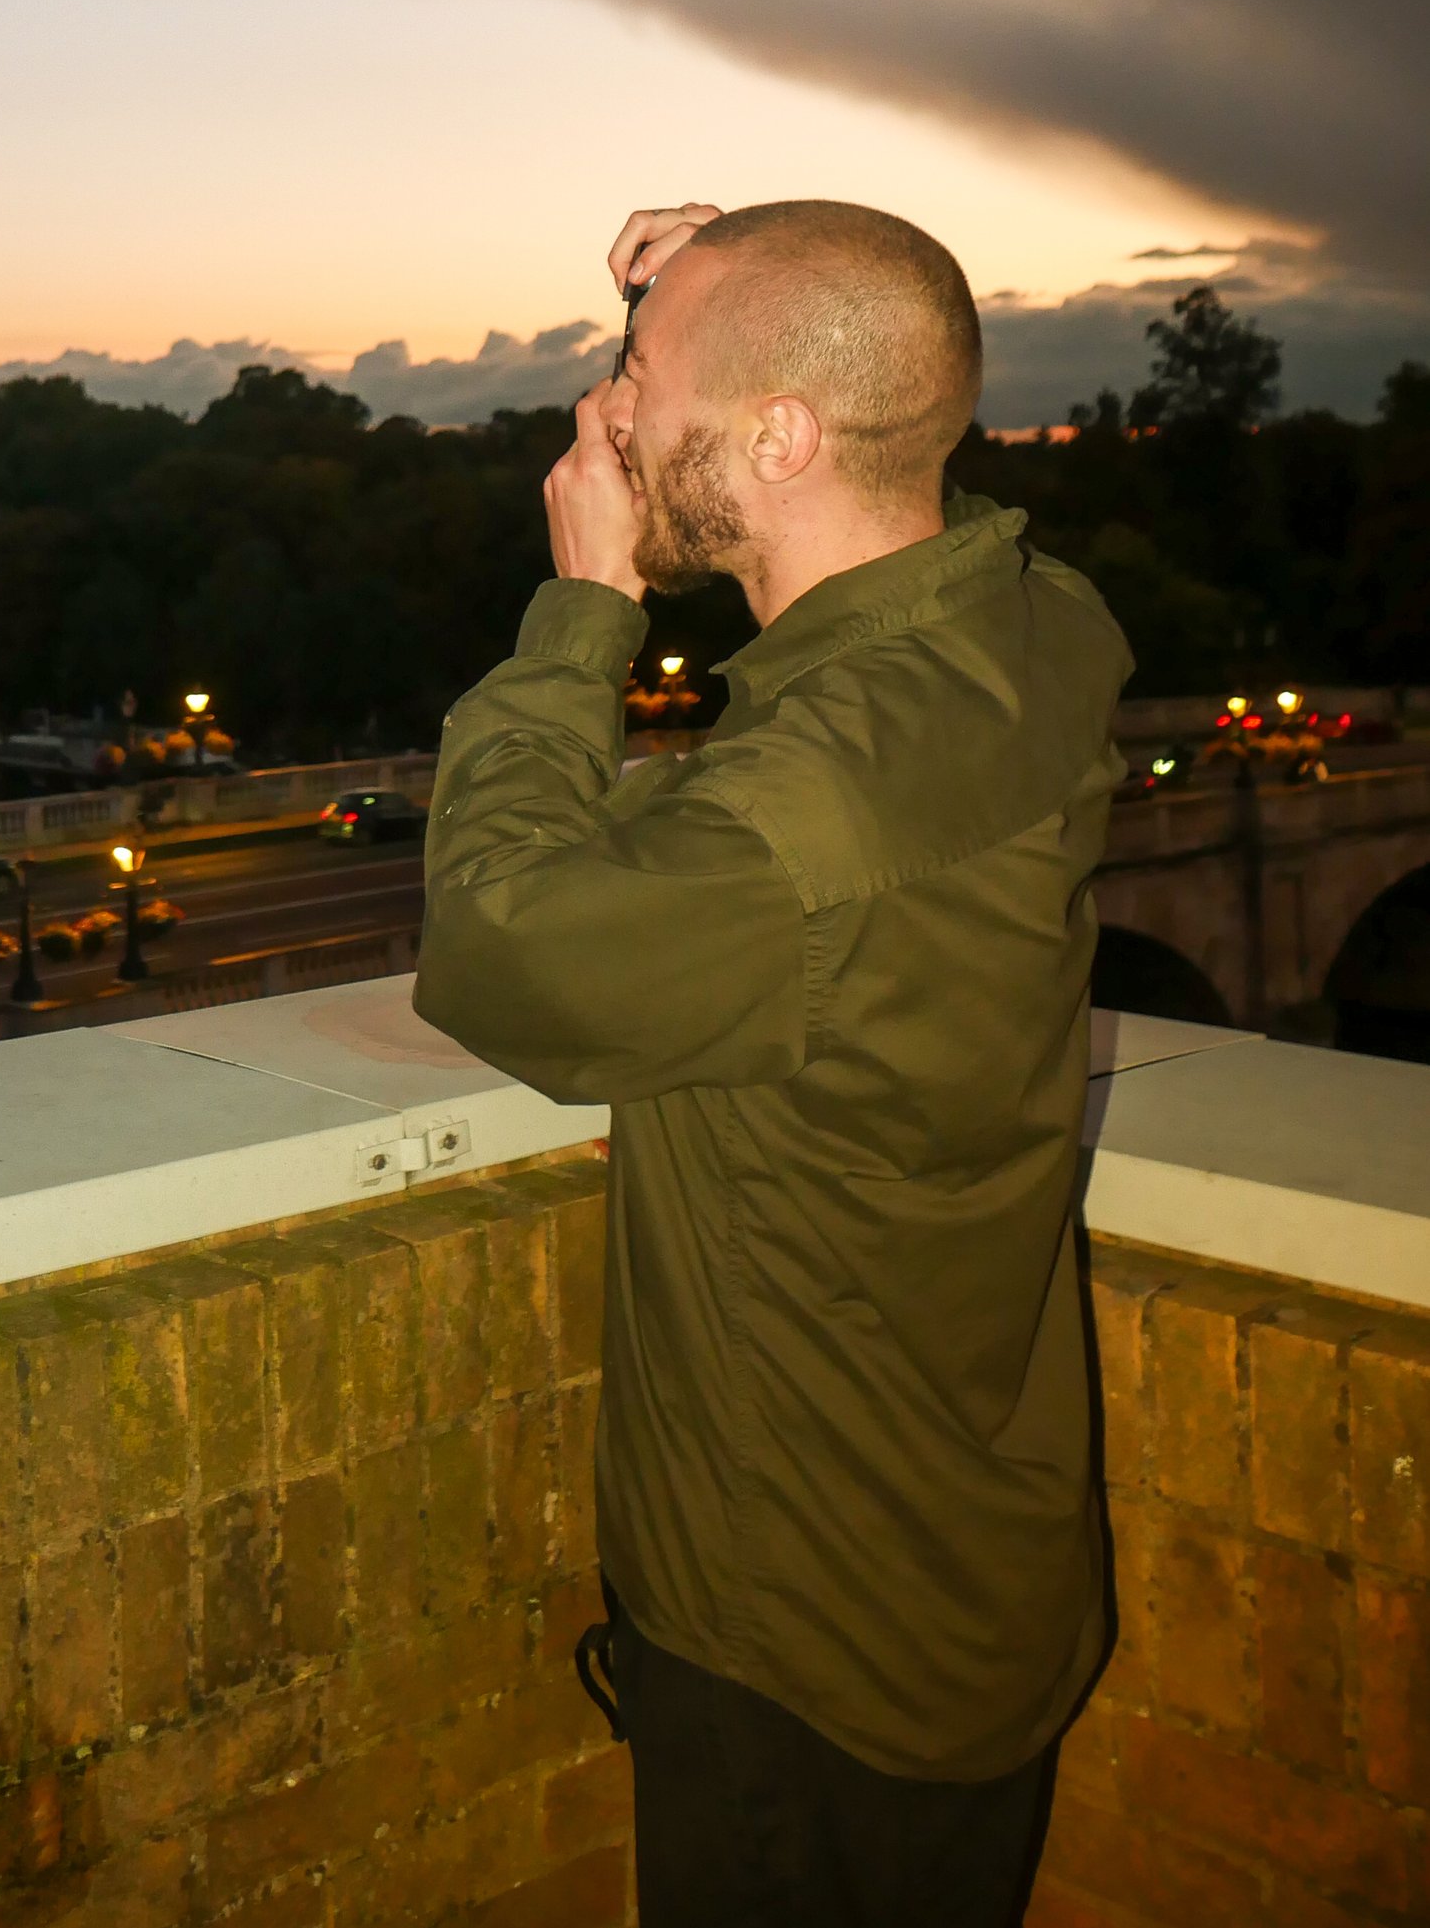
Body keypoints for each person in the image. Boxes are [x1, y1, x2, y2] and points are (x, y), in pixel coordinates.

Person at [414, 199, 1131, 1928]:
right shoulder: (1033, 628)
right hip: (980, 1575)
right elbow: (861, 335)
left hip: (804, 1648)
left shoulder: (795, 819)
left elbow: (501, 940)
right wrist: (749, 265)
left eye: (637, 376)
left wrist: (581, 606)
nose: (602, 419)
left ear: (782, 436)